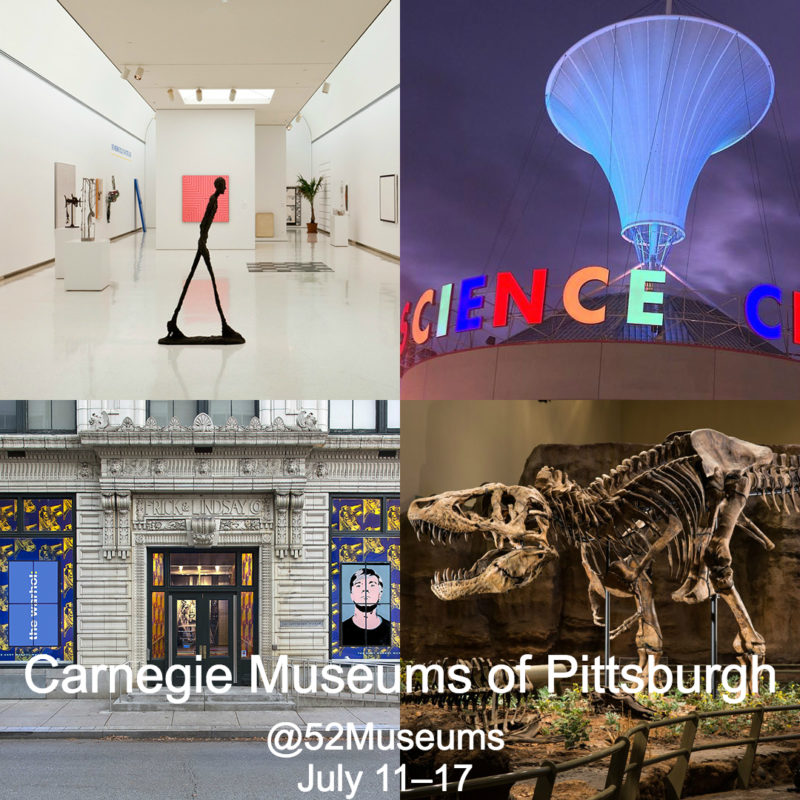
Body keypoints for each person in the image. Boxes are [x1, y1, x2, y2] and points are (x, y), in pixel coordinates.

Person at [162, 177, 244, 342]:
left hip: (202, 242)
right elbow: (204, 222)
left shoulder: (215, 200)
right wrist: (202, 241)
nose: (226, 188)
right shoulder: (213, 200)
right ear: (219, 186)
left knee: (197, 277)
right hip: (202, 243)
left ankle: (174, 321)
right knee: (211, 280)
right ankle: (223, 325)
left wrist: (202, 240)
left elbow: (205, 222)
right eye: (224, 186)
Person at [341, 567, 391, 646]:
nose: (365, 590)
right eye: (359, 585)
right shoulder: (340, 630)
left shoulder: (393, 630)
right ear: (351, 594)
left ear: (380, 594)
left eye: (372, 585)